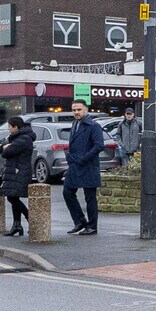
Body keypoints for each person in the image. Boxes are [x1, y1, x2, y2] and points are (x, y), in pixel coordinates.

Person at [64, 101, 104, 236]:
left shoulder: (93, 126)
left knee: (90, 197)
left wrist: (84, 158)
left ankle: (92, 226)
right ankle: (80, 221)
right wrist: (69, 157)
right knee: (67, 192)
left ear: (86, 109)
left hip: (88, 165)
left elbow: (99, 146)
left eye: (79, 109)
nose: (76, 112)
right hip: (74, 165)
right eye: (74, 110)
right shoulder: (75, 124)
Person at [0, 117, 35, 236]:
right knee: (13, 196)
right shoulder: (15, 137)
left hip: (20, 172)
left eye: (9, 126)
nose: (8, 129)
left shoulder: (24, 139)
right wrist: (4, 147)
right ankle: (17, 225)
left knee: (12, 198)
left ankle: (32, 220)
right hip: (14, 170)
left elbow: (7, 152)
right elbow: (2, 148)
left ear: (16, 127)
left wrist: (6, 147)